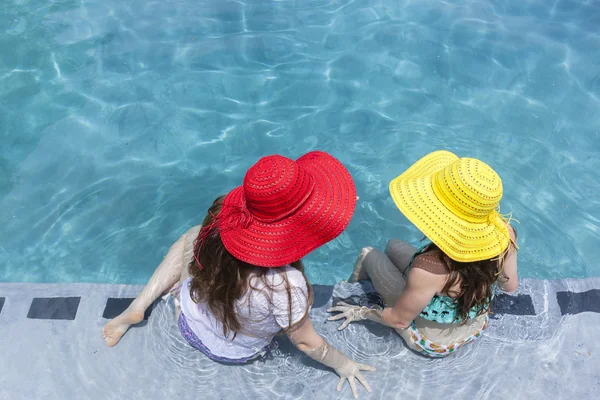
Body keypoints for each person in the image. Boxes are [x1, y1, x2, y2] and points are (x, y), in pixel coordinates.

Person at [102, 151, 374, 398]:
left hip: (189, 322)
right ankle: (139, 307)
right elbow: (304, 341)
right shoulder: (285, 284)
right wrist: (344, 364)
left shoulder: (223, 220)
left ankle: (138, 306)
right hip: (236, 352)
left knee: (193, 235)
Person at [328, 150, 519, 357]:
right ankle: (421, 293)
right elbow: (509, 286)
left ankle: (349, 291)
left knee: (368, 253)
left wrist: (361, 312)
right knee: (393, 245)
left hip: (431, 341)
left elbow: (399, 320)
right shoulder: (504, 233)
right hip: (476, 325)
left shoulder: (428, 267)